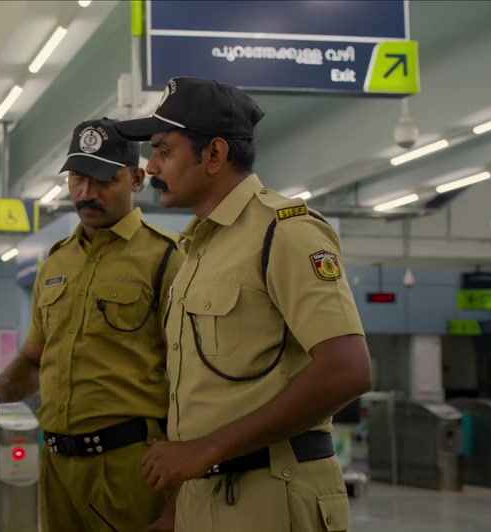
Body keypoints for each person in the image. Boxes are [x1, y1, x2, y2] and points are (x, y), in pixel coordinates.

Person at [112, 77, 372, 532]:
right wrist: (176, 508)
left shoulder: (284, 232)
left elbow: (348, 370)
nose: (151, 167)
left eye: (164, 151)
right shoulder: (198, 247)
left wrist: (206, 449)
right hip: (205, 496)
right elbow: (203, 397)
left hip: (272, 495)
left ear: (214, 154)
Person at [0, 119, 183, 531]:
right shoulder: (56, 262)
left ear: (136, 179)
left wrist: (177, 503)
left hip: (131, 469)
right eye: (77, 178)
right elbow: (35, 360)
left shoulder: (166, 258)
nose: (86, 193)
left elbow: (190, 381)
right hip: (56, 467)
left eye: (103, 179)